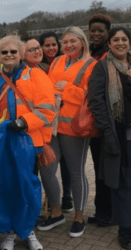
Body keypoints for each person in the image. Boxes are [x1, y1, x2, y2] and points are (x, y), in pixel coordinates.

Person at [0, 35, 55, 250]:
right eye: (4, 52)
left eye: (13, 52)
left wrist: (23, 122)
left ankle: (27, 230)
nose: (8, 55)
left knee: (26, 187)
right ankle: (8, 231)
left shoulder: (36, 76)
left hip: (25, 143)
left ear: (21, 54)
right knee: (3, 188)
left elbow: (47, 109)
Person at [37, 27, 97, 237]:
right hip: (53, 127)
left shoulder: (92, 64)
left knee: (76, 171)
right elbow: (49, 88)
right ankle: (55, 211)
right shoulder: (57, 61)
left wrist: (68, 89)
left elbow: (93, 97)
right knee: (46, 169)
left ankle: (79, 217)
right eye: (66, 42)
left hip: (75, 128)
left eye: (73, 41)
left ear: (82, 42)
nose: (69, 45)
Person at [88, 27, 131, 249]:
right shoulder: (102, 67)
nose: (121, 43)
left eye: (124, 39)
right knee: (123, 183)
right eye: (116, 39)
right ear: (110, 44)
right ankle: (125, 227)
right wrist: (107, 134)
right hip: (119, 134)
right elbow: (96, 103)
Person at [38, 31, 73, 213]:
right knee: (49, 164)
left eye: (54, 45)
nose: (51, 48)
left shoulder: (65, 62)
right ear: (41, 47)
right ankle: (51, 200)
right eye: (47, 45)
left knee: (67, 163)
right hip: (49, 120)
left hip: (66, 118)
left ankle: (67, 195)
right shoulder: (39, 66)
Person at [87, 13, 113, 227]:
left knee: (107, 169)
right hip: (93, 121)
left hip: (108, 121)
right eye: (93, 30)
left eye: (100, 31)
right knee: (99, 169)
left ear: (107, 33)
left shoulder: (109, 55)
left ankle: (108, 212)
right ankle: (102, 210)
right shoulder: (90, 52)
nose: (96, 34)